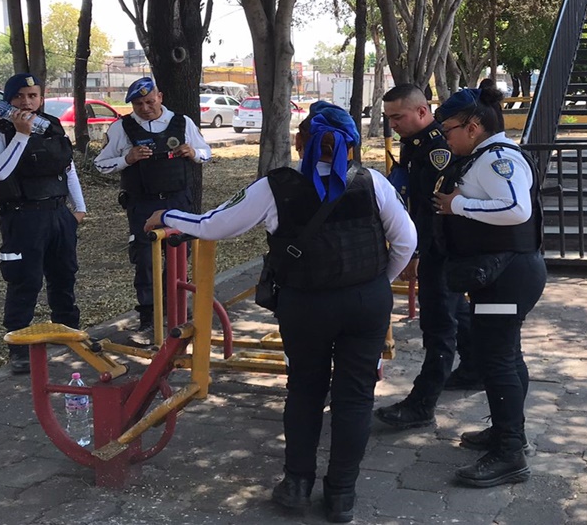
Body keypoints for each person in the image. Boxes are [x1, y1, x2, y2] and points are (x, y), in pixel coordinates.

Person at [145, 103, 415, 523]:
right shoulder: (371, 182)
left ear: (299, 142)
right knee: (356, 395)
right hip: (366, 304)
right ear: (352, 145)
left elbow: (217, 225)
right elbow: (406, 241)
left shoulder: (276, 187)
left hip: (306, 305)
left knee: (306, 390)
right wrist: (376, 281)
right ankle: (342, 494)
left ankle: (296, 485)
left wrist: (169, 215)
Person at [431, 79, 546, 488]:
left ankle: (509, 453)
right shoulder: (487, 156)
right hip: (502, 276)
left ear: (473, 126)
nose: (446, 138)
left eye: (448, 130)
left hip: (506, 281)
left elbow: (516, 209)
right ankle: (507, 434)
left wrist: (457, 204)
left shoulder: (499, 159)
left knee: (497, 359)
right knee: (506, 355)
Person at [374, 84, 480, 432]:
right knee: (455, 310)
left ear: (421, 112)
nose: (393, 125)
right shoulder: (416, 143)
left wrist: (414, 252)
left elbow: (433, 209)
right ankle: (475, 367)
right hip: (438, 245)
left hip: (440, 246)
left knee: (437, 325)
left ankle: (422, 404)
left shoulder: (437, 148)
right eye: (388, 118)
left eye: (398, 117)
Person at [0, 73, 86, 375]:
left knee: (64, 275)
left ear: (41, 97)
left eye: (33, 96)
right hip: (22, 217)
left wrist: (78, 209)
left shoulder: (51, 125)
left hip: (58, 214)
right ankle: (18, 346)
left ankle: (68, 331)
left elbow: (68, 168)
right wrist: (21, 134)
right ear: (8, 99)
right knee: (24, 280)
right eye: (19, 96)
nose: (26, 102)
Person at [94, 77, 211, 341]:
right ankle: (148, 316)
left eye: (149, 101)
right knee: (145, 259)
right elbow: (100, 164)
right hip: (143, 203)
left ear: (160, 96)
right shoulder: (122, 128)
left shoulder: (182, 123)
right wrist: (127, 159)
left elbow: (207, 152)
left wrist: (193, 153)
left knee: (180, 253)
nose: (145, 108)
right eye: (138, 104)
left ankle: (175, 310)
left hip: (178, 200)